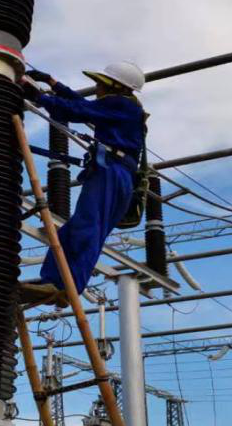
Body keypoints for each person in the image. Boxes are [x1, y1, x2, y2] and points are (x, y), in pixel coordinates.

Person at [17, 61, 146, 306]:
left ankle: (67, 287)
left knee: (87, 229)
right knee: (73, 230)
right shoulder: (122, 106)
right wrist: (53, 83)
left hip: (112, 172)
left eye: (100, 83)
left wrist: (40, 97)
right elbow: (84, 105)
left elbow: (80, 111)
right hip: (113, 172)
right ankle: (54, 282)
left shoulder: (122, 105)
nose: (96, 87)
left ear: (115, 86)